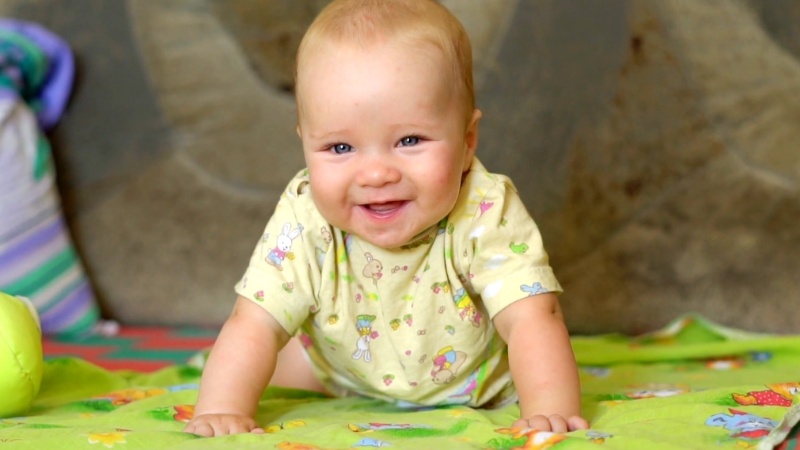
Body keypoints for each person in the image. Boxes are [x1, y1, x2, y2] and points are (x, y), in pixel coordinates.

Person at [183, 0, 588, 437]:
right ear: (305, 144)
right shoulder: (306, 216)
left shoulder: (484, 208)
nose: (376, 174)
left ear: (467, 140)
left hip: (479, 382)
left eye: (409, 140)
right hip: (339, 371)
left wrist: (549, 409)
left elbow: (531, 318)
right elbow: (255, 322)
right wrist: (221, 409)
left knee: (536, 355)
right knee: (256, 365)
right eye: (340, 148)